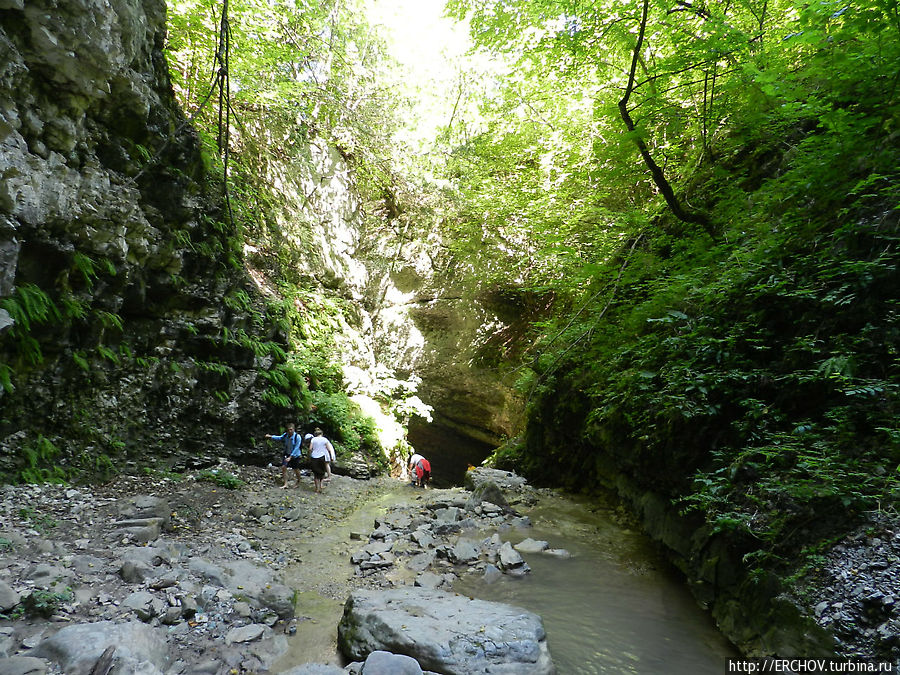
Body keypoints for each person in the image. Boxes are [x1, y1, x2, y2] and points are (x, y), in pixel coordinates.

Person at [265, 423, 303, 489]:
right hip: (287, 453)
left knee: (296, 469)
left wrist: (290, 457)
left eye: (291, 430)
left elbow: (297, 448)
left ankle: (299, 481)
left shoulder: (297, 437)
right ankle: (286, 484)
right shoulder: (286, 435)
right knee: (283, 467)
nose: (290, 431)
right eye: (288, 430)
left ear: (294, 429)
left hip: (295, 455)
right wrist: (271, 436)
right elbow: (280, 437)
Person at [308, 428, 335, 494]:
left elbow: (310, 449)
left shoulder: (313, 439)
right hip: (322, 457)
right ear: (322, 434)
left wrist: (308, 456)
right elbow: (329, 449)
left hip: (314, 457)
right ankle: (321, 486)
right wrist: (331, 457)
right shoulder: (324, 439)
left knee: (316, 474)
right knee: (322, 473)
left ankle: (317, 488)